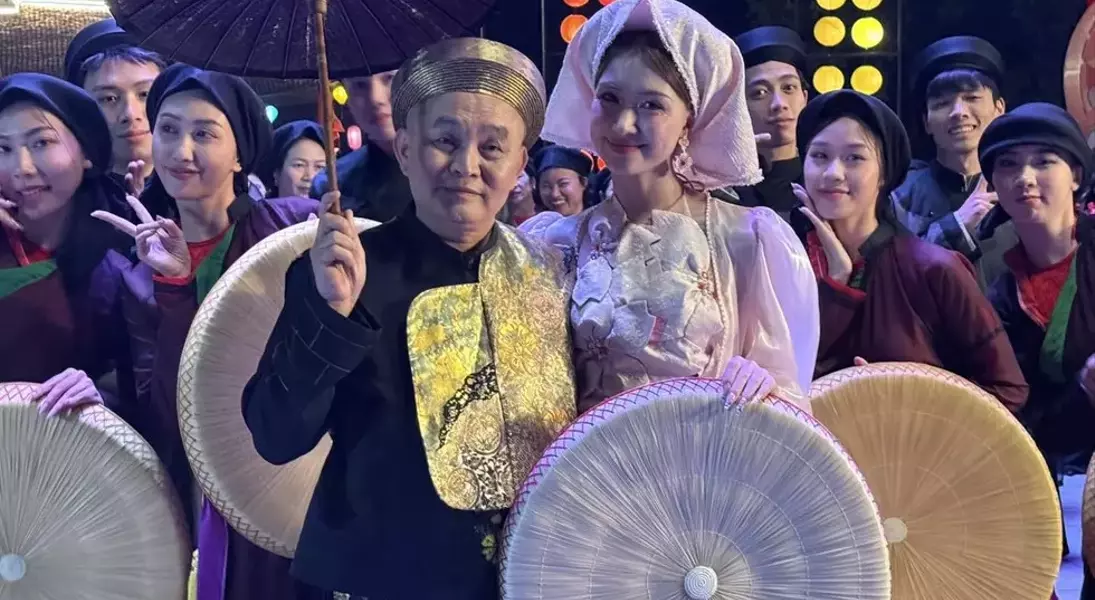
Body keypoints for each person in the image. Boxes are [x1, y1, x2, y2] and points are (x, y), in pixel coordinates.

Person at [242, 38, 577, 599]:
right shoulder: (343, 271)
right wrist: (331, 315)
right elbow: (276, 437)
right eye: (445, 141)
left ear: (520, 163)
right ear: (404, 149)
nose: (466, 167)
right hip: (376, 577)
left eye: (492, 147)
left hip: (520, 577)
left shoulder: (552, 273)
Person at [521, 0, 819, 413]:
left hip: (707, 452)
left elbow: (790, 403)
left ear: (689, 121)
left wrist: (765, 388)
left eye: (651, 105)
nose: (624, 123)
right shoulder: (555, 243)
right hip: (588, 455)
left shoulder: (748, 241)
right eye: (609, 98)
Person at [93, 63, 319, 600]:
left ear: (240, 154)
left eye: (204, 133)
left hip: (303, 477)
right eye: (168, 130)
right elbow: (167, 413)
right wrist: (174, 287)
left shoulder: (293, 230)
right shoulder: (139, 272)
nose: (181, 151)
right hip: (209, 488)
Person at [790, 89, 1027, 411]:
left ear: (885, 173)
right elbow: (787, 378)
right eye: (819, 156)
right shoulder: (786, 264)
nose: (833, 173)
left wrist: (910, 401)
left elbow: (1009, 389)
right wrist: (837, 282)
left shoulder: (933, 269)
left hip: (917, 442)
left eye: (854, 158)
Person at [978, 104, 1095, 590]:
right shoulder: (1001, 296)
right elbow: (1026, 420)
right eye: (1008, 165)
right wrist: (1085, 388)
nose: (1024, 177)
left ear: (1076, 176)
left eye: (1044, 161)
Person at [0, 73, 147, 417]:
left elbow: (138, 378)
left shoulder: (121, 257)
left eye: (41, 143)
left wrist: (99, 395)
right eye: (2, 149)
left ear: (87, 153)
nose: (22, 168)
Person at [892, 36, 1017, 287]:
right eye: (942, 103)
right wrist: (956, 226)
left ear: (999, 108)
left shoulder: (1023, 186)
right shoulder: (898, 197)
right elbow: (892, 280)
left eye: (972, 98)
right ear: (926, 122)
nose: (958, 112)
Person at [64, 18, 166, 193]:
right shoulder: (62, 197)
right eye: (109, 98)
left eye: (145, 94)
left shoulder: (204, 192)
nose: (130, 114)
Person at [309, 70, 412, 221]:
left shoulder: (447, 166)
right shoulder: (331, 185)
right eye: (360, 85)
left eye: (390, 79)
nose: (375, 98)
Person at [732, 25, 809, 219]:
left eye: (788, 88)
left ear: (805, 98)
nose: (779, 104)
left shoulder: (825, 179)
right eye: (760, 92)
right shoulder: (723, 189)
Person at [260, 120, 326, 198]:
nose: (310, 177)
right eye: (299, 165)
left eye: (319, 167)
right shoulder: (256, 206)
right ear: (276, 174)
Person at [533, 144, 592, 216]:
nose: (555, 194)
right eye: (546, 186)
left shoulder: (600, 219)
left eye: (563, 184)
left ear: (583, 182)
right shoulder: (535, 223)